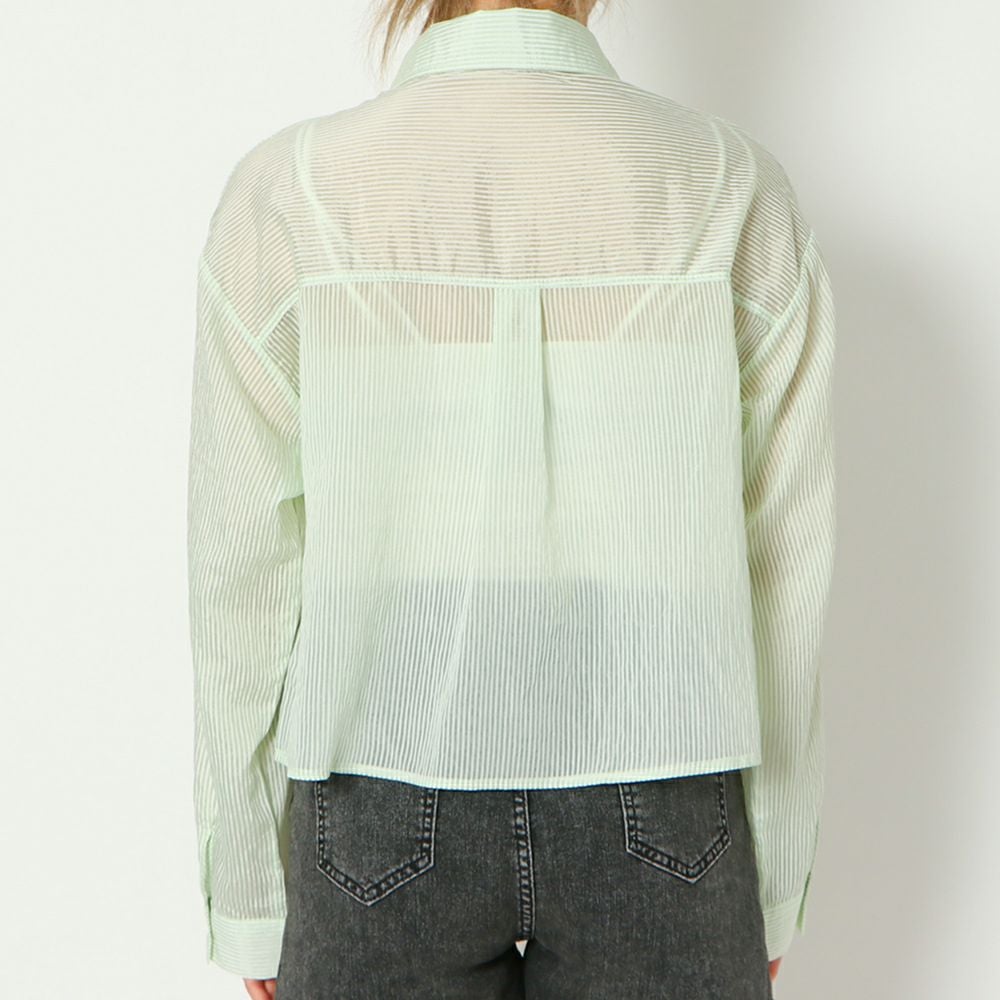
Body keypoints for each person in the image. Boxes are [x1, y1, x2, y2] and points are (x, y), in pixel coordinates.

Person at [186, 1, 837, 997]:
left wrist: (247, 895)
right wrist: (776, 878)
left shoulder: (294, 190)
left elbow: (239, 571)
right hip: (666, 784)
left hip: (375, 791)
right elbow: (782, 570)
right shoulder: (728, 186)